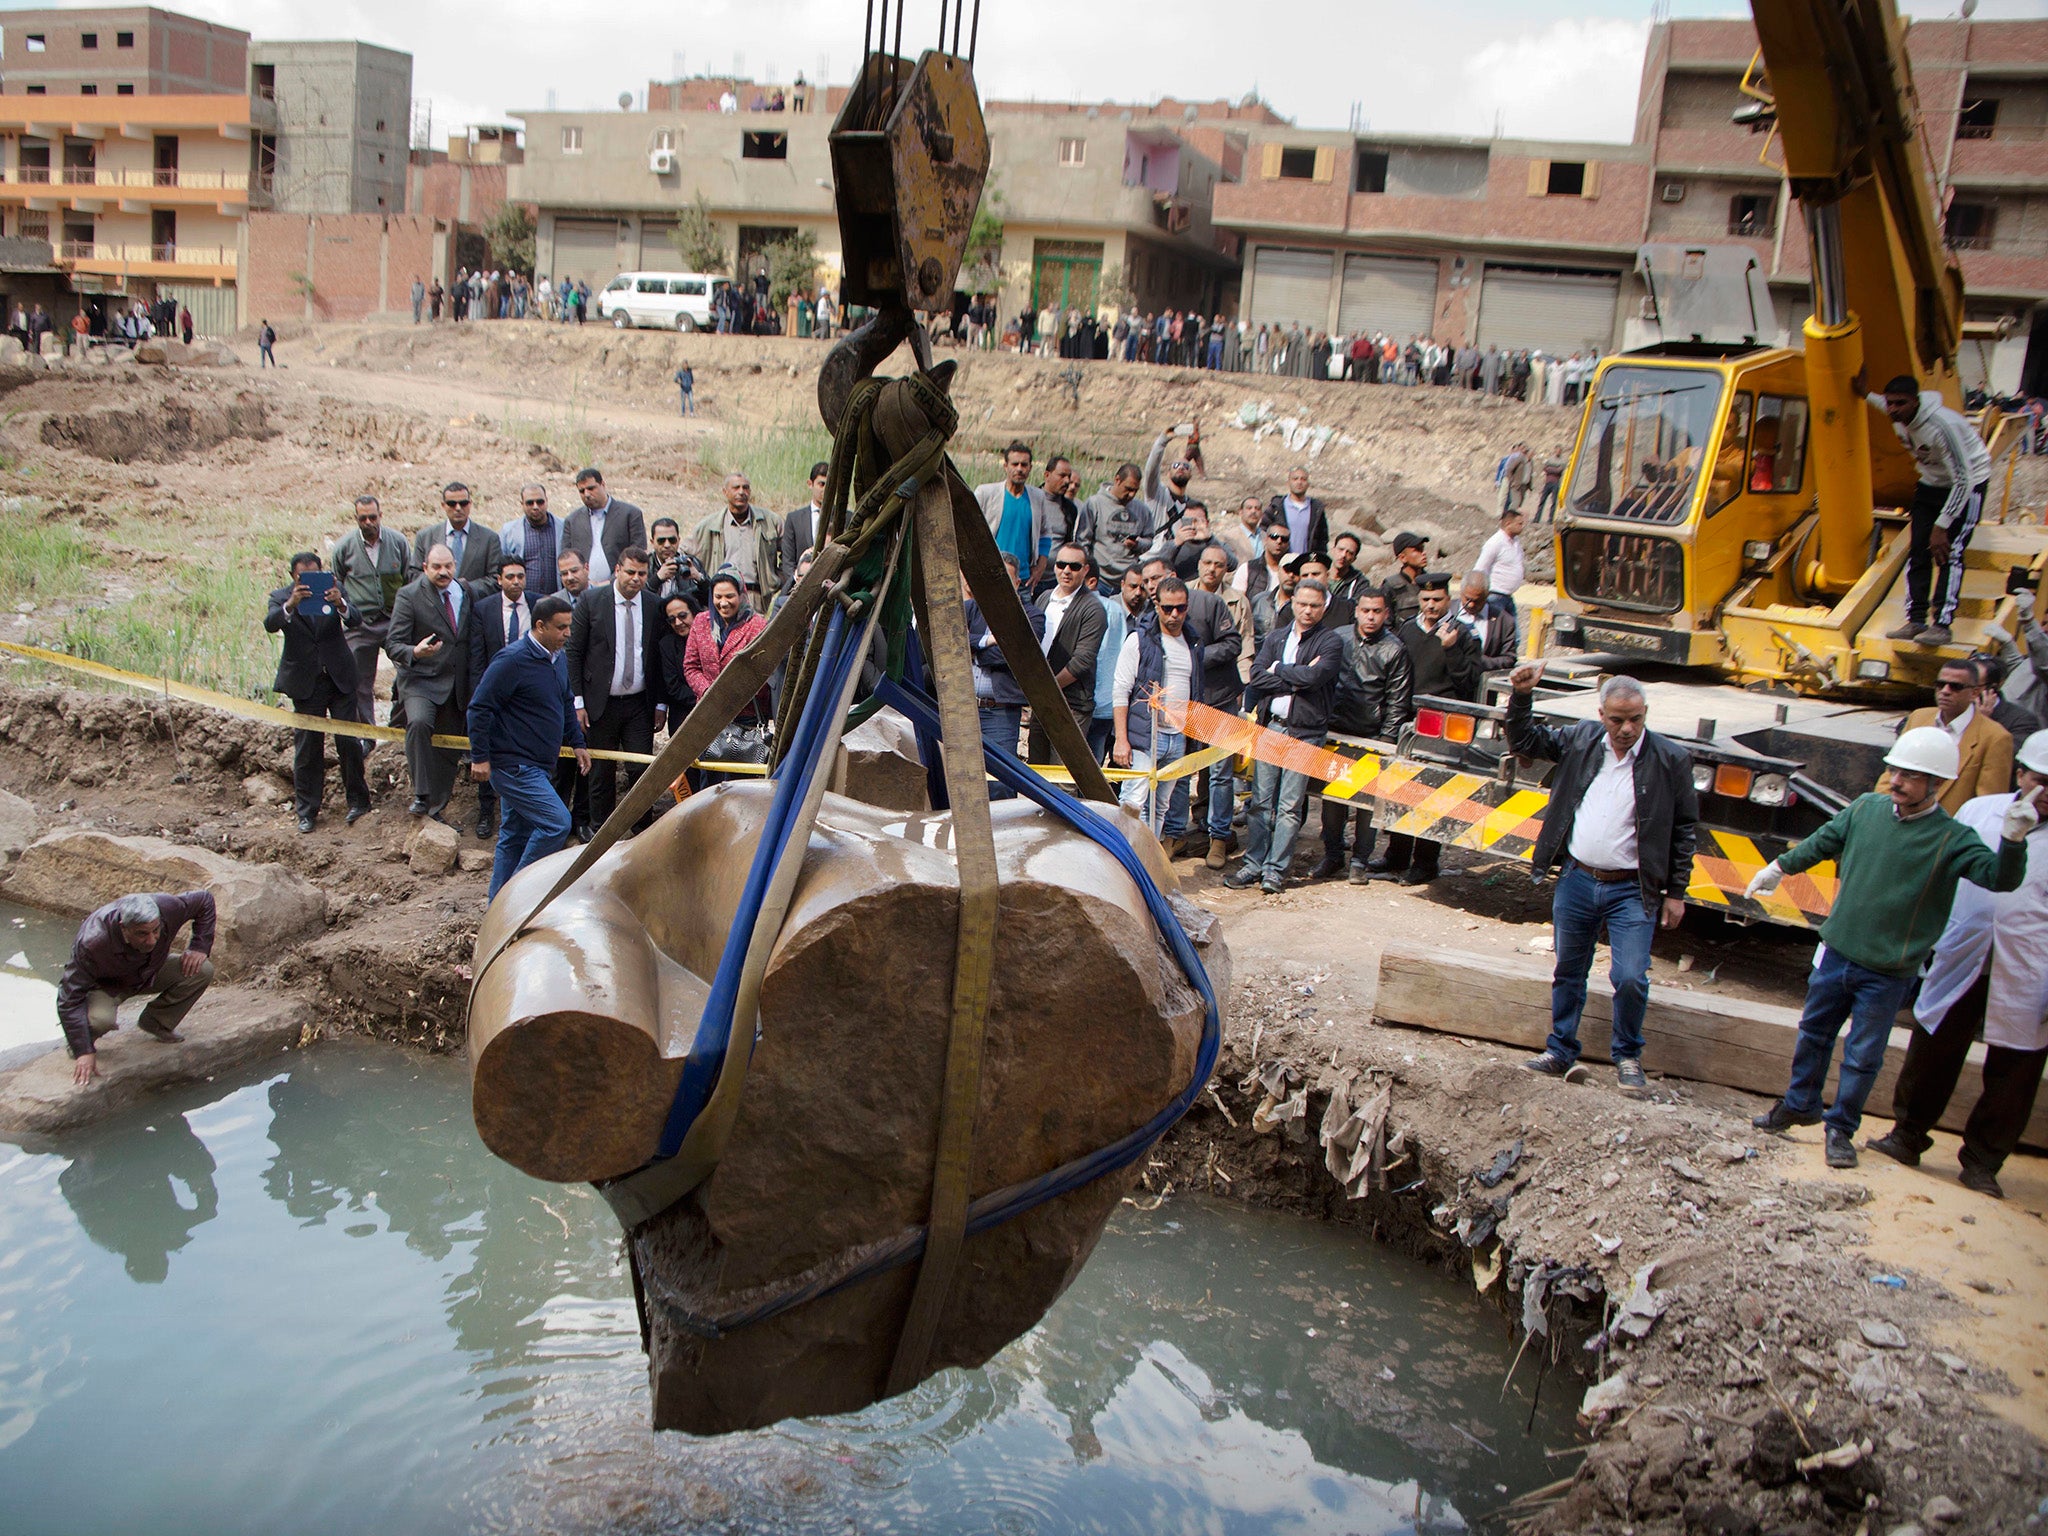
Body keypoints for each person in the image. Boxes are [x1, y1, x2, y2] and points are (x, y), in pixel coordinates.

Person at [1746, 725, 2033, 1167]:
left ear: (1936, 784)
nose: (1896, 781)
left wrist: (2013, 843)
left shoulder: (1952, 839)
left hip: (1887, 970)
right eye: (1894, 771)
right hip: (1838, 951)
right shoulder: (1866, 809)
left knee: (1863, 1055)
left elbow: (2000, 879)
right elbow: (1825, 841)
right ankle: (1799, 1104)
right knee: (1813, 1035)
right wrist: (1780, 866)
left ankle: (1841, 1128)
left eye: (1910, 775)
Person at [1867, 732, 2048, 1198]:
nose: (2045, 793)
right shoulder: (1979, 812)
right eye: (2039, 780)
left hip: (2030, 965)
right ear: (2020, 774)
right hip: (1964, 948)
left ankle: (1984, 1161)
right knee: (1935, 1045)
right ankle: (1908, 1135)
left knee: (2016, 1066)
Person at [1505, 668, 1699, 1091]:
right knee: (1569, 969)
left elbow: (1685, 829)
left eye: (1634, 719)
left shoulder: (1670, 759)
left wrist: (1676, 892)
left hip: (1633, 888)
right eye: (1616, 720)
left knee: (1630, 975)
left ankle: (1627, 1056)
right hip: (1578, 878)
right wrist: (1521, 695)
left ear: (1645, 714)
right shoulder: (1582, 740)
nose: (1626, 729)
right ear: (1601, 714)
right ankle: (1560, 1050)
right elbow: (1525, 741)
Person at [467, 593, 589, 897]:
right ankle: (520, 894)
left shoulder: (557, 658)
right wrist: (479, 757)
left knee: (514, 836)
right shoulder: (512, 660)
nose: (567, 634)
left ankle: (498, 908)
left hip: (537, 764)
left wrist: (577, 742)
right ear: (540, 626)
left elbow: (564, 701)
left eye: (569, 627)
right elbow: (479, 708)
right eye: (561, 628)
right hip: (514, 765)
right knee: (556, 824)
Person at [1226, 579, 1344, 894]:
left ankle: (1275, 871)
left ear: (1324, 607)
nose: (1307, 610)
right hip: (1271, 727)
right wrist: (1295, 676)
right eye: (1302, 603)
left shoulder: (1330, 642)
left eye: (1315, 605)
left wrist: (1280, 671)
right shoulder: (1277, 638)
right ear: (1292, 602)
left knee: (1290, 806)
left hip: (1305, 732)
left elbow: (1317, 676)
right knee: (1260, 801)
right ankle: (1253, 864)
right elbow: (1257, 677)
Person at [1871, 373, 1993, 647]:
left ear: (1916, 402)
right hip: (1931, 482)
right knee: (1918, 552)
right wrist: (1863, 392)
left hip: (1966, 484)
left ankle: (1942, 624)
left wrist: (1942, 525)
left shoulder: (1941, 426)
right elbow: (1879, 402)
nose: (1892, 409)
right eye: (1890, 403)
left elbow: (1964, 478)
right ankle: (1916, 620)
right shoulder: (1899, 416)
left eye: (1900, 404)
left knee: (1948, 552)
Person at [1373, 573, 1480, 885]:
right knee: (1400, 790)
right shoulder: (1407, 630)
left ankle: (1425, 861)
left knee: (1432, 794)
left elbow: (1470, 682)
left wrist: (1452, 649)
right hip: (1409, 719)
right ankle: (1396, 854)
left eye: (1437, 600)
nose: (1431, 606)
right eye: (1425, 600)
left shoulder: (1463, 634)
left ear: (1448, 600)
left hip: (1442, 725)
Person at [58, 892, 216, 1085]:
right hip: (107, 986)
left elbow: (204, 900)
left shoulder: (168, 908)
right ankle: (80, 1041)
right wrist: (83, 1051)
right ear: (124, 928)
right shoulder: (92, 942)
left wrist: (200, 945)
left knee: (202, 970)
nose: (151, 940)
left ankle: (156, 1022)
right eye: (142, 934)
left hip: (148, 971)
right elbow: (69, 998)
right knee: (101, 1020)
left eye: (156, 931)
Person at [265, 551, 370, 834]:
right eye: (303, 577)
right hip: (305, 681)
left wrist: (341, 604)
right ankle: (307, 811)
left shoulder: (335, 592)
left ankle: (359, 801)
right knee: (308, 747)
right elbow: (271, 624)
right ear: (293, 577)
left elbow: (356, 620)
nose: (309, 583)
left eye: (315, 575)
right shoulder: (281, 596)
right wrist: (292, 604)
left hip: (339, 677)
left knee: (348, 742)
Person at [1316, 587, 1412, 882]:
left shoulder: (1394, 649)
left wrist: (1385, 739)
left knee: (1367, 805)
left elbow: (1398, 700)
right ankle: (1332, 856)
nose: (1371, 617)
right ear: (1356, 610)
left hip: (1371, 736)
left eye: (1377, 611)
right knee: (1332, 800)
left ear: (1386, 614)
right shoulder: (1339, 638)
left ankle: (1360, 860)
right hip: (1335, 729)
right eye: (1366, 610)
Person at [566, 546, 664, 833]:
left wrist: (660, 704)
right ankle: (601, 832)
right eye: (630, 572)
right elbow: (574, 652)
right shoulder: (592, 601)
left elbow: (657, 657)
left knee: (640, 769)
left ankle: (642, 830)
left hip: (639, 704)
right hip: (600, 703)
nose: (635, 579)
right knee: (600, 772)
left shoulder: (653, 604)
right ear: (617, 570)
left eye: (642, 574)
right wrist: (578, 702)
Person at [385, 544, 486, 823]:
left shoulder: (465, 592)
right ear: (425, 567)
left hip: (457, 684)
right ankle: (421, 794)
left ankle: (435, 808)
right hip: (420, 680)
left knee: (448, 750)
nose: (444, 572)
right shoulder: (409, 596)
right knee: (418, 723)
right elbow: (393, 643)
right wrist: (415, 652)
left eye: (448, 566)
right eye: (437, 567)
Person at [1112, 576, 1204, 855]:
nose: (1174, 614)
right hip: (1144, 737)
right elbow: (1121, 690)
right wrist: (1121, 739)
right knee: (1133, 802)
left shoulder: (1193, 643)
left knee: (1160, 806)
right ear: (1157, 605)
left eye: (1180, 608)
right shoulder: (1138, 640)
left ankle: (1147, 861)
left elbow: (1195, 692)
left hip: (1177, 738)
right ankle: (1125, 860)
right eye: (1167, 608)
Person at [1877, 657, 2013, 812]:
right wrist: (1882, 814)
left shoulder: (1995, 737)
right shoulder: (1918, 718)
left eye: (1955, 687)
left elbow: (1987, 806)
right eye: (1940, 685)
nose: (1945, 691)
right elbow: (1890, 774)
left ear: (1975, 692)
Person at [330, 494, 415, 731]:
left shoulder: (398, 542)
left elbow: (409, 580)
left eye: (373, 517)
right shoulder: (343, 547)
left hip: (394, 621)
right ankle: (366, 736)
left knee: (410, 671)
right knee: (359, 682)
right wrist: (347, 612)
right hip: (360, 624)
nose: (369, 522)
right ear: (355, 518)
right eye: (363, 518)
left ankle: (398, 728)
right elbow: (338, 583)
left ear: (381, 516)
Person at [1180, 547, 1244, 863]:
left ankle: (1219, 837)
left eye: (1219, 564)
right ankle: (1177, 833)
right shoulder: (1169, 601)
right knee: (1182, 769)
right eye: (1207, 563)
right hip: (1185, 702)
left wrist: (1198, 658)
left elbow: (1234, 643)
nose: (1212, 569)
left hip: (1219, 699)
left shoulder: (1213, 603)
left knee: (1220, 772)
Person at [966, 560, 1044, 798]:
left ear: (1017, 582)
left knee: (1000, 783)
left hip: (1000, 712)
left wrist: (975, 649)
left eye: (1004, 579)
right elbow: (951, 640)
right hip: (965, 707)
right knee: (963, 779)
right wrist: (988, 641)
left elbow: (1015, 653)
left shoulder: (1032, 616)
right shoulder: (971, 609)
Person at [684, 574, 771, 777]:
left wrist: (732, 694)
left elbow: (764, 671)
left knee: (740, 783)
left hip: (746, 717)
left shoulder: (757, 625)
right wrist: (709, 691)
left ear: (741, 595)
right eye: (718, 597)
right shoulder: (701, 622)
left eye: (730, 596)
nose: (723, 603)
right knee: (709, 781)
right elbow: (691, 666)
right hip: (709, 714)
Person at [1032, 542, 1109, 766]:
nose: (1066, 571)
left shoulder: (1093, 609)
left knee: (1064, 778)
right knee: (1037, 773)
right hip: (1043, 700)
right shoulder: (1044, 597)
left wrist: (1049, 688)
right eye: (1061, 564)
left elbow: (1082, 661)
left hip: (1072, 704)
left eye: (1074, 566)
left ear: (1085, 570)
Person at [690, 472, 783, 601]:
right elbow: (686, 554)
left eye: (745, 488)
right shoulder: (709, 526)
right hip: (722, 599)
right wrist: (702, 581)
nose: (741, 492)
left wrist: (777, 580)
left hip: (756, 597)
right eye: (736, 488)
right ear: (725, 492)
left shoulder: (771, 521)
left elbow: (789, 554)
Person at [975, 441, 1054, 591]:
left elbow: (1045, 533)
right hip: (990, 577)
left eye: (1024, 465)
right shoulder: (986, 494)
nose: (1019, 469)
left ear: (1030, 468)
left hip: (1022, 580)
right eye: (1015, 464)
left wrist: (1040, 567)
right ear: (1006, 466)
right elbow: (967, 530)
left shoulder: (1037, 497)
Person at [564, 467, 646, 588]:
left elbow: (639, 552)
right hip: (584, 591)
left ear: (602, 484)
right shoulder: (572, 520)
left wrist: (612, 580)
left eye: (591, 488)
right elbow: (566, 557)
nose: (586, 494)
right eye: (582, 491)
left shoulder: (629, 514)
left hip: (621, 588)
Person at [415, 481, 503, 586]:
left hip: (473, 600)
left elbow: (496, 578)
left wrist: (464, 588)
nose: (458, 508)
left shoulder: (489, 539)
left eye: (463, 503)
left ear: (470, 504)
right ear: (443, 505)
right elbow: (414, 573)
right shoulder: (425, 537)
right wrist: (438, 584)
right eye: (452, 504)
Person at [1085, 462, 1155, 590]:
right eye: (1128, 489)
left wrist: (1138, 544)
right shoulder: (1095, 504)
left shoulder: (1142, 510)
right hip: (1100, 579)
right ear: (1117, 480)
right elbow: (1083, 540)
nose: (1131, 495)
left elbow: (1150, 540)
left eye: (1135, 490)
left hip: (1128, 581)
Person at [500, 483, 563, 599]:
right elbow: (502, 567)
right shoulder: (509, 531)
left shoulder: (563, 527)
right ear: (522, 504)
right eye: (530, 503)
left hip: (557, 598)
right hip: (524, 601)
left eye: (540, 502)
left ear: (547, 501)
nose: (535, 507)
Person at [1472, 507, 1527, 633]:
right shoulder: (1495, 543)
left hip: (1507, 596)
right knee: (1494, 632)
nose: (1522, 527)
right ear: (1508, 524)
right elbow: (1480, 568)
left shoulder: (1515, 542)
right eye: (1519, 524)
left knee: (1513, 635)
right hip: (1495, 596)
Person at [779, 462, 828, 595]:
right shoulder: (794, 519)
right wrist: (797, 582)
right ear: (810, 484)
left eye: (830, 485)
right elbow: (788, 560)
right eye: (821, 484)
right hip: (799, 590)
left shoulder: (845, 518)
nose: (825, 489)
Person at [1263, 467, 1329, 558]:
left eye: (1303, 479)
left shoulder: (1316, 510)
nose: (1299, 482)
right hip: (1281, 561)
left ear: (1308, 483)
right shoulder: (1276, 508)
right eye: (1295, 479)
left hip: (1306, 563)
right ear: (1288, 482)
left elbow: (1322, 539)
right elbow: (1263, 531)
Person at [1458, 575, 1519, 674]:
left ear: (1487, 595)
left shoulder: (1504, 621)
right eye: (1467, 599)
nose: (1471, 605)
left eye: (1477, 601)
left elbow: (1509, 659)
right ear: (1461, 592)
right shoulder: (1447, 611)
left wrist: (1480, 661)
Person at [651, 517, 708, 610]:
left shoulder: (692, 563)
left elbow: (710, 599)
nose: (667, 545)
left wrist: (700, 579)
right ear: (652, 542)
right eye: (661, 541)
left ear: (678, 540)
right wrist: (656, 579)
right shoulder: (645, 565)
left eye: (672, 540)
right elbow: (637, 597)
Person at [1381, 532, 1430, 627]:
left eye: (1422, 549)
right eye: (1417, 550)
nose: (1423, 553)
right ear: (1403, 558)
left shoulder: (1432, 582)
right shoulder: (1391, 586)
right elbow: (1386, 625)